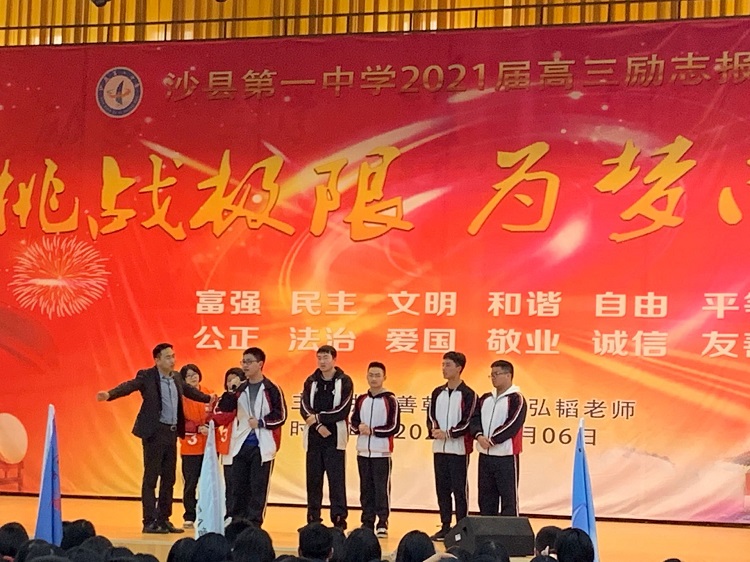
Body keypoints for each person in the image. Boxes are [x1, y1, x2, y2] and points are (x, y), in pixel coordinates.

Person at [95, 343, 213, 534]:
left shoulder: (176, 377)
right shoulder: (147, 376)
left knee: (169, 478)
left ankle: (164, 519)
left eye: (173, 356)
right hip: (154, 432)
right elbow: (129, 386)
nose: (172, 360)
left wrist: (208, 399)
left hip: (171, 433)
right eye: (167, 357)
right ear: (157, 360)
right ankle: (149, 521)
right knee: (151, 478)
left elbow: (190, 391)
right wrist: (109, 394)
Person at [213, 347, 287, 527]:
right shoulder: (240, 388)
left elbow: (281, 415)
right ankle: (237, 523)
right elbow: (224, 409)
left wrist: (261, 422)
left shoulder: (271, 388)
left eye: (249, 362)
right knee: (238, 487)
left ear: (260, 364)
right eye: (243, 362)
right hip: (240, 443)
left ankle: (254, 525)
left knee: (258, 488)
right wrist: (231, 391)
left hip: (262, 445)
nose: (245, 366)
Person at [301, 345, 354, 530]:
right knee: (313, 480)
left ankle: (339, 520)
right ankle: (313, 519)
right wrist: (318, 426)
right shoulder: (311, 381)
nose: (322, 361)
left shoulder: (344, 381)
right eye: (319, 358)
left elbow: (343, 409)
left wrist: (319, 419)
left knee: (336, 480)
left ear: (334, 359)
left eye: (326, 358)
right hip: (314, 437)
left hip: (334, 437)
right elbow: (304, 407)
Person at [426, 351, 477, 541]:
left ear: (459, 368)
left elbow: (468, 421)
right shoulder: (437, 392)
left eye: (448, 365)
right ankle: (445, 525)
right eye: (443, 364)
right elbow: (430, 415)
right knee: (442, 488)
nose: (444, 368)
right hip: (439, 448)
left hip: (458, 449)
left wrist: (448, 433)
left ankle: (462, 526)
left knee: (459, 489)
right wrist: (435, 430)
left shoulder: (468, 394)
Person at [470, 359, 527, 517]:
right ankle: (488, 530)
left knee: (508, 498)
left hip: (506, 456)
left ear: (508, 375)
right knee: (486, 498)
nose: (493, 377)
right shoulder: (485, 398)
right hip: (485, 455)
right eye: (491, 375)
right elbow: (474, 419)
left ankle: (509, 531)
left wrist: (493, 440)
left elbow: (513, 423)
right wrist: (479, 436)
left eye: (497, 374)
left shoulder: (516, 399)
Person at [350, 361, 400, 537]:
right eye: (371, 375)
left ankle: (382, 522)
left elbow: (394, 426)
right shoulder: (361, 399)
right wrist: (359, 428)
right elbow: (353, 421)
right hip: (363, 451)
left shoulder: (390, 400)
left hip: (382, 452)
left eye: (377, 375)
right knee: (365, 488)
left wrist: (373, 431)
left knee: (381, 488)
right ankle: (367, 521)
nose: (373, 379)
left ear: (384, 377)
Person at [177, 364, 213, 529]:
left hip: (209, 446)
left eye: (195, 374)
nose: (193, 377)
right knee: (191, 483)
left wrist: (208, 425)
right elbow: (179, 421)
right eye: (189, 375)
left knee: (208, 483)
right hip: (190, 447)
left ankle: (207, 513)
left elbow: (216, 415)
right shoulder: (181, 397)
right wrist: (197, 428)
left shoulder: (209, 393)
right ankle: (189, 515)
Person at [215, 366, 245, 518]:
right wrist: (231, 393)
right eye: (228, 380)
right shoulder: (225, 398)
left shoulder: (246, 397)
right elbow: (220, 416)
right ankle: (229, 515)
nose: (231, 383)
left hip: (244, 446)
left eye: (235, 380)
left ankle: (243, 516)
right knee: (230, 484)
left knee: (243, 484)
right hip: (228, 447)